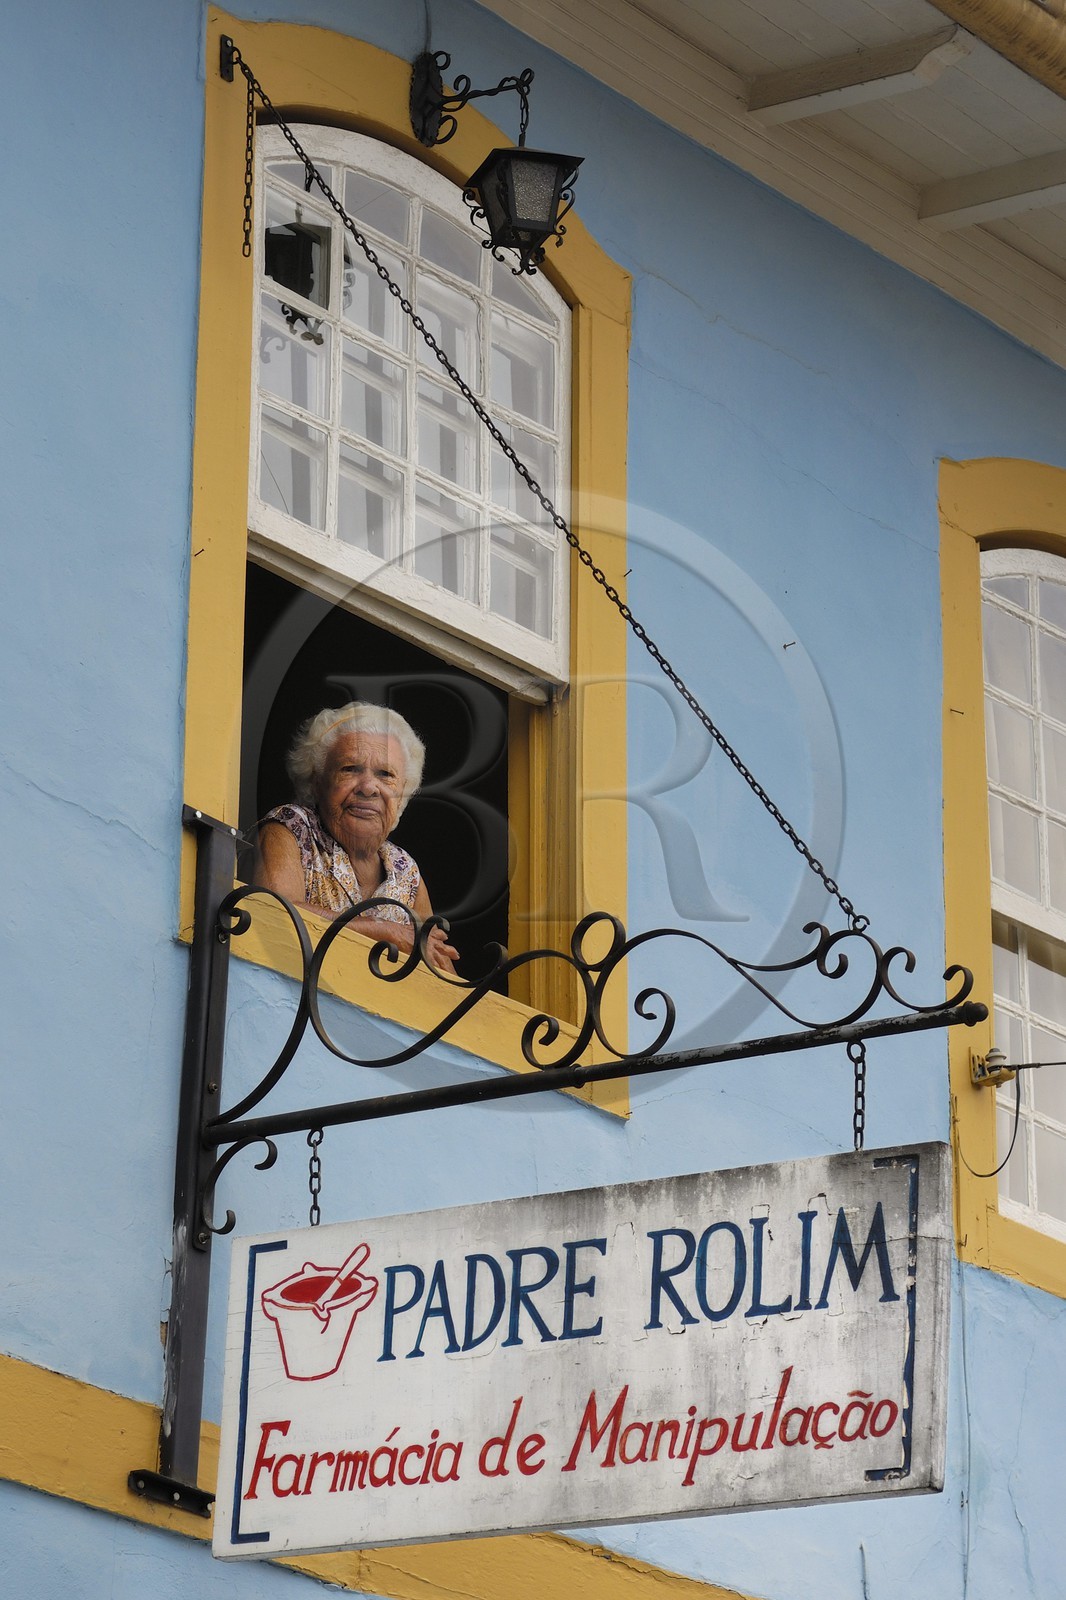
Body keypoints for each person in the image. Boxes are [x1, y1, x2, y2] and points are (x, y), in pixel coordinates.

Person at [255, 702, 458, 972]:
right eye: (350, 769)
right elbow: (274, 913)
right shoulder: (291, 828)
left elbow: (443, 977)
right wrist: (381, 930)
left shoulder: (407, 873)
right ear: (317, 782)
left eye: (385, 774)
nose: (368, 788)